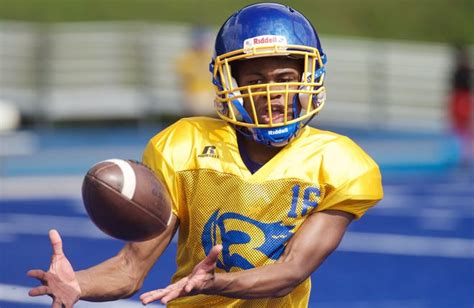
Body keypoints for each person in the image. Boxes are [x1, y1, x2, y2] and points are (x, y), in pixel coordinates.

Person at [27, 3, 383, 307]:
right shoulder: (184, 146)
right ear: (231, 85)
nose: (272, 92)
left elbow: (290, 272)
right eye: (256, 81)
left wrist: (216, 283)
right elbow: (130, 269)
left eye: (285, 77)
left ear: (310, 77)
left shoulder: (338, 163)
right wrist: (78, 284)